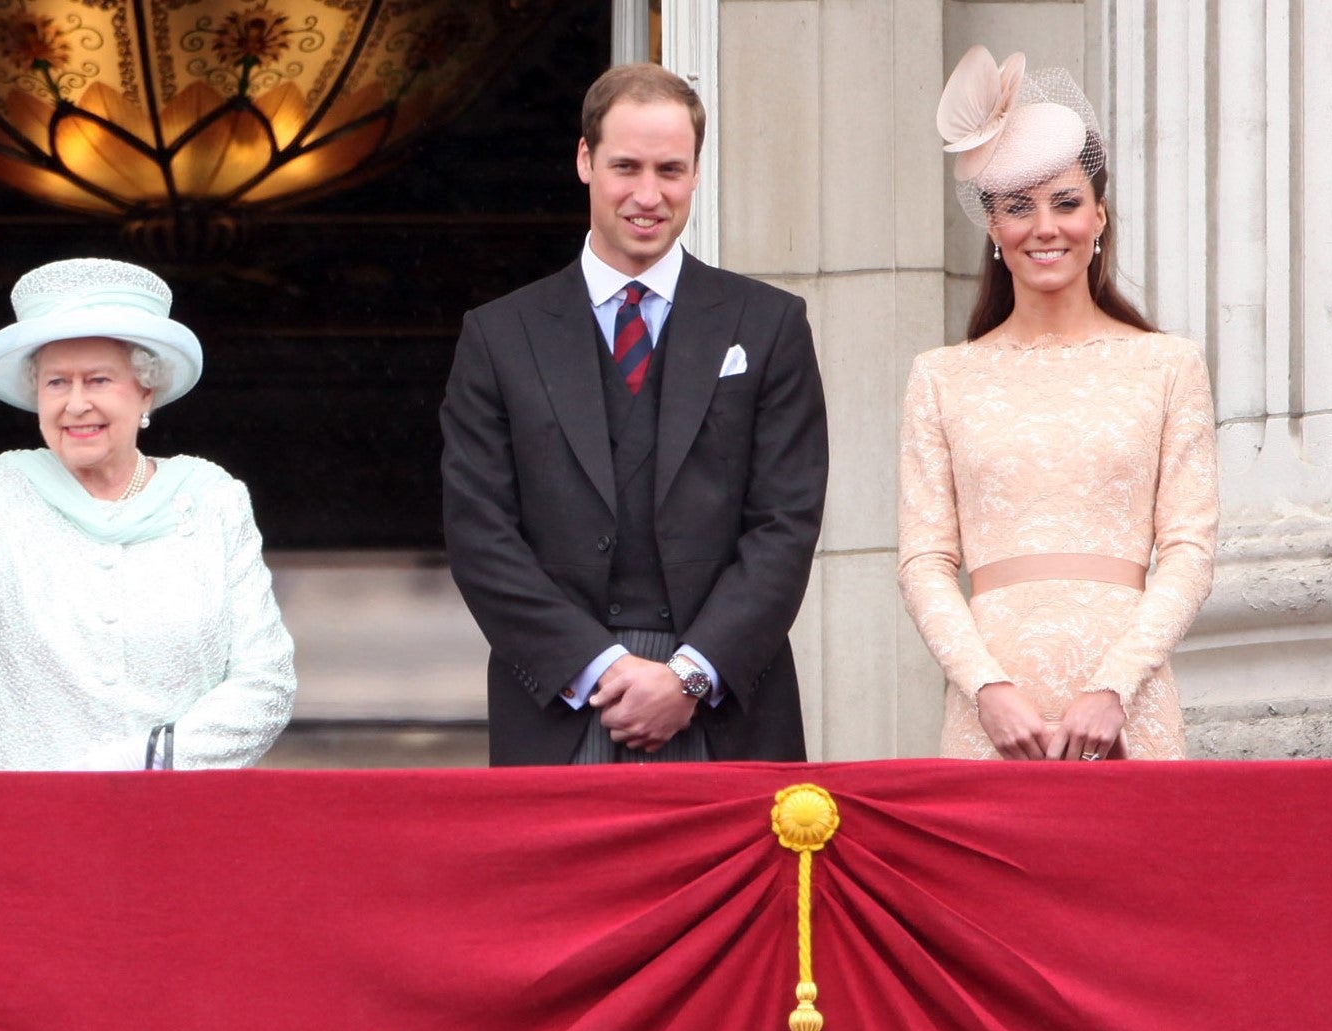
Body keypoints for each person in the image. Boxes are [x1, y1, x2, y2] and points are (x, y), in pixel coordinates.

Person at [441, 64, 828, 766]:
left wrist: (687, 675)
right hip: (562, 707)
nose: (647, 195)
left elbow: (785, 523)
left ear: (695, 173)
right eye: (625, 167)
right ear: (585, 161)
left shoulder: (768, 325)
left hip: (723, 710)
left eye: (670, 170)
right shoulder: (499, 336)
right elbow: (479, 534)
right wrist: (601, 669)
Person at [897, 50, 1216, 763]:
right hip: (990, 718)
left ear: (1097, 215)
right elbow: (923, 559)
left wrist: (1113, 686)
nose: (1044, 227)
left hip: (1129, 707)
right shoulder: (941, 377)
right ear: (991, 227)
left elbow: (1190, 553)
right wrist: (986, 688)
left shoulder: (1167, 365)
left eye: (1065, 202)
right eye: (1018, 206)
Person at [0, 257, 295, 770]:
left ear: (145, 390)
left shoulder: (213, 500)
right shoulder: (4, 488)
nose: (75, 405)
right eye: (56, 383)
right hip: (20, 824)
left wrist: (151, 760)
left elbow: (265, 682)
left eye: (97, 380)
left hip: (169, 821)